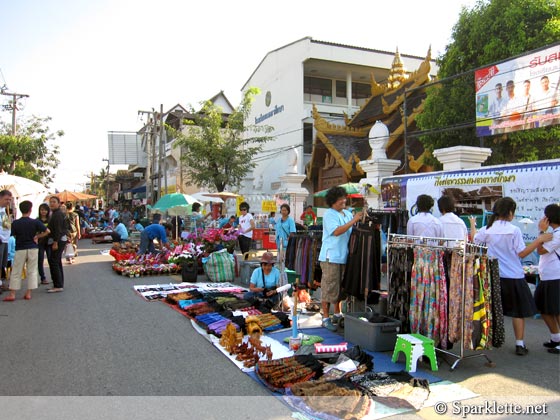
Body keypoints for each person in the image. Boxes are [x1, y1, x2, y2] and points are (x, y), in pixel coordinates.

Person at [470, 197, 552, 356]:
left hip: (493, 275)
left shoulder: (487, 229)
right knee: (517, 312)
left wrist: (473, 224)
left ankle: (489, 340)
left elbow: (474, 239)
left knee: (491, 309)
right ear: (510, 213)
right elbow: (521, 253)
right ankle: (519, 344)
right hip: (513, 275)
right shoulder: (514, 230)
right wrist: (539, 240)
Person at [318, 186, 363, 331]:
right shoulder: (329, 215)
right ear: (333, 201)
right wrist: (354, 220)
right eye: (340, 199)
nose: (343, 201)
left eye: (344, 198)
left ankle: (337, 313)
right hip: (331, 256)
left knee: (340, 287)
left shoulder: (346, 213)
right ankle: (325, 317)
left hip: (344, 256)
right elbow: (337, 231)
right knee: (329, 286)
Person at [3, 201, 49, 301]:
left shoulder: (15, 223)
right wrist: (37, 236)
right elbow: (47, 231)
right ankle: (28, 293)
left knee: (16, 271)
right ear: (30, 210)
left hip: (20, 248)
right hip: (33, 247)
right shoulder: (35, 222)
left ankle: (12, 294)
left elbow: (11, 234)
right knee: (32, 270)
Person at [534, 204, 560, 354]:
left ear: (548, 218)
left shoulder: (557, 234)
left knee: (556, 310)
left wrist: (541, 232)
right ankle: (556, 338)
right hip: (547, 276)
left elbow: (540, 249)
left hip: (555, 276)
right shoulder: (553, 233)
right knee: (543, 307)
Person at [47, 196, 68, 293]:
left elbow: (58, 230)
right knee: (56, 261)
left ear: (59, 203)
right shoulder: (55, 213)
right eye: (50, 202)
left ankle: (58, 285)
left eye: (54, 202)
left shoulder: (58, 214)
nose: (52, 203)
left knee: (54, 261)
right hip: (58, 240)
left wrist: (55, 242)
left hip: (58, 240)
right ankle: (58, 283)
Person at [0, 190, 14, 292]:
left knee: (3, 263)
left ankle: (0, 283)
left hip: (5, 240)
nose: (8, 201)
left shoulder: (4, 210)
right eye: (6, 199)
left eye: (9, 199)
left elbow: (6, 226)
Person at [37, 203, 51, 285]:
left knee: (51, 260)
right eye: (42, 210)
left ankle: (53, 276)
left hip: (49, 242)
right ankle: (43, 278)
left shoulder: (50, 220)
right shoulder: (37, 220)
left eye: (45, 210)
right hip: (40, 243)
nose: (44, 211)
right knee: (40, 260)